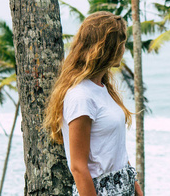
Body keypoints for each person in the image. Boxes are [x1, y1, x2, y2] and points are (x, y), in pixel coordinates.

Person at [43, 11, 143, 196]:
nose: (123, 49)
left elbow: (116, 148)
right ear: (106, 48)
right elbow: (78, 167)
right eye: (121, 44)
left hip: (124, 186)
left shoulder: (103, 89)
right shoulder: (81, 96)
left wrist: (136, 187)